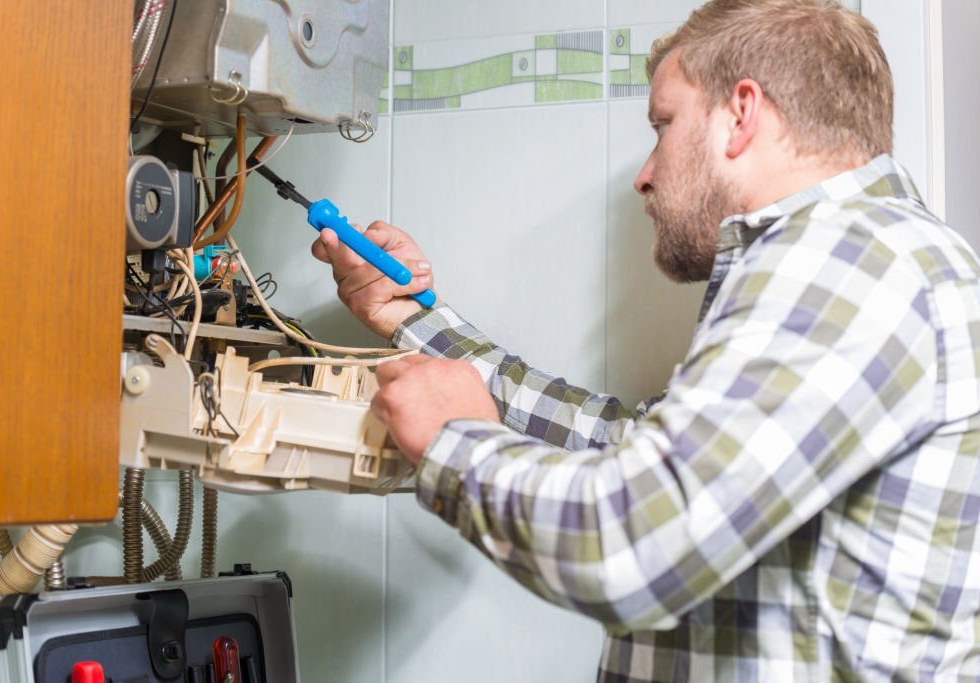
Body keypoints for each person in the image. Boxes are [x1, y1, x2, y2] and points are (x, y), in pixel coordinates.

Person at [312, 0, 980, 679]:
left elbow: (636, 538)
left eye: (664, 123)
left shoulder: (845, 260)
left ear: (741, 114)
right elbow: (639, 456)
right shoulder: (872, 258)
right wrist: (409, 318)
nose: (646, 172)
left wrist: (456, 442)